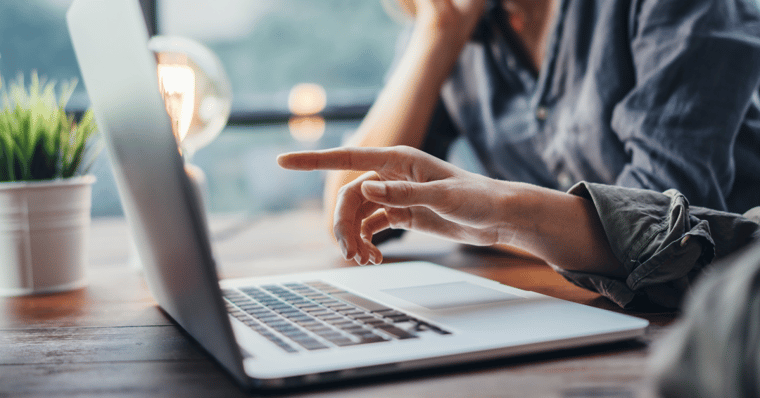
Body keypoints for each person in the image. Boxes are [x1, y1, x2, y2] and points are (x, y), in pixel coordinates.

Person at [324, 0, 760, 244]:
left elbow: (659, 230)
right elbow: (353, 212)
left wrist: (501, 220)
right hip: (578, 300)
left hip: (723, 310)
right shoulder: (461, 23)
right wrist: (436, 30)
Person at [278, 146, 760, 309]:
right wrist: (438, 34)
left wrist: (511, 215)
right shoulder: (476, 39)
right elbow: (350, 206)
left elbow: (668, 232)